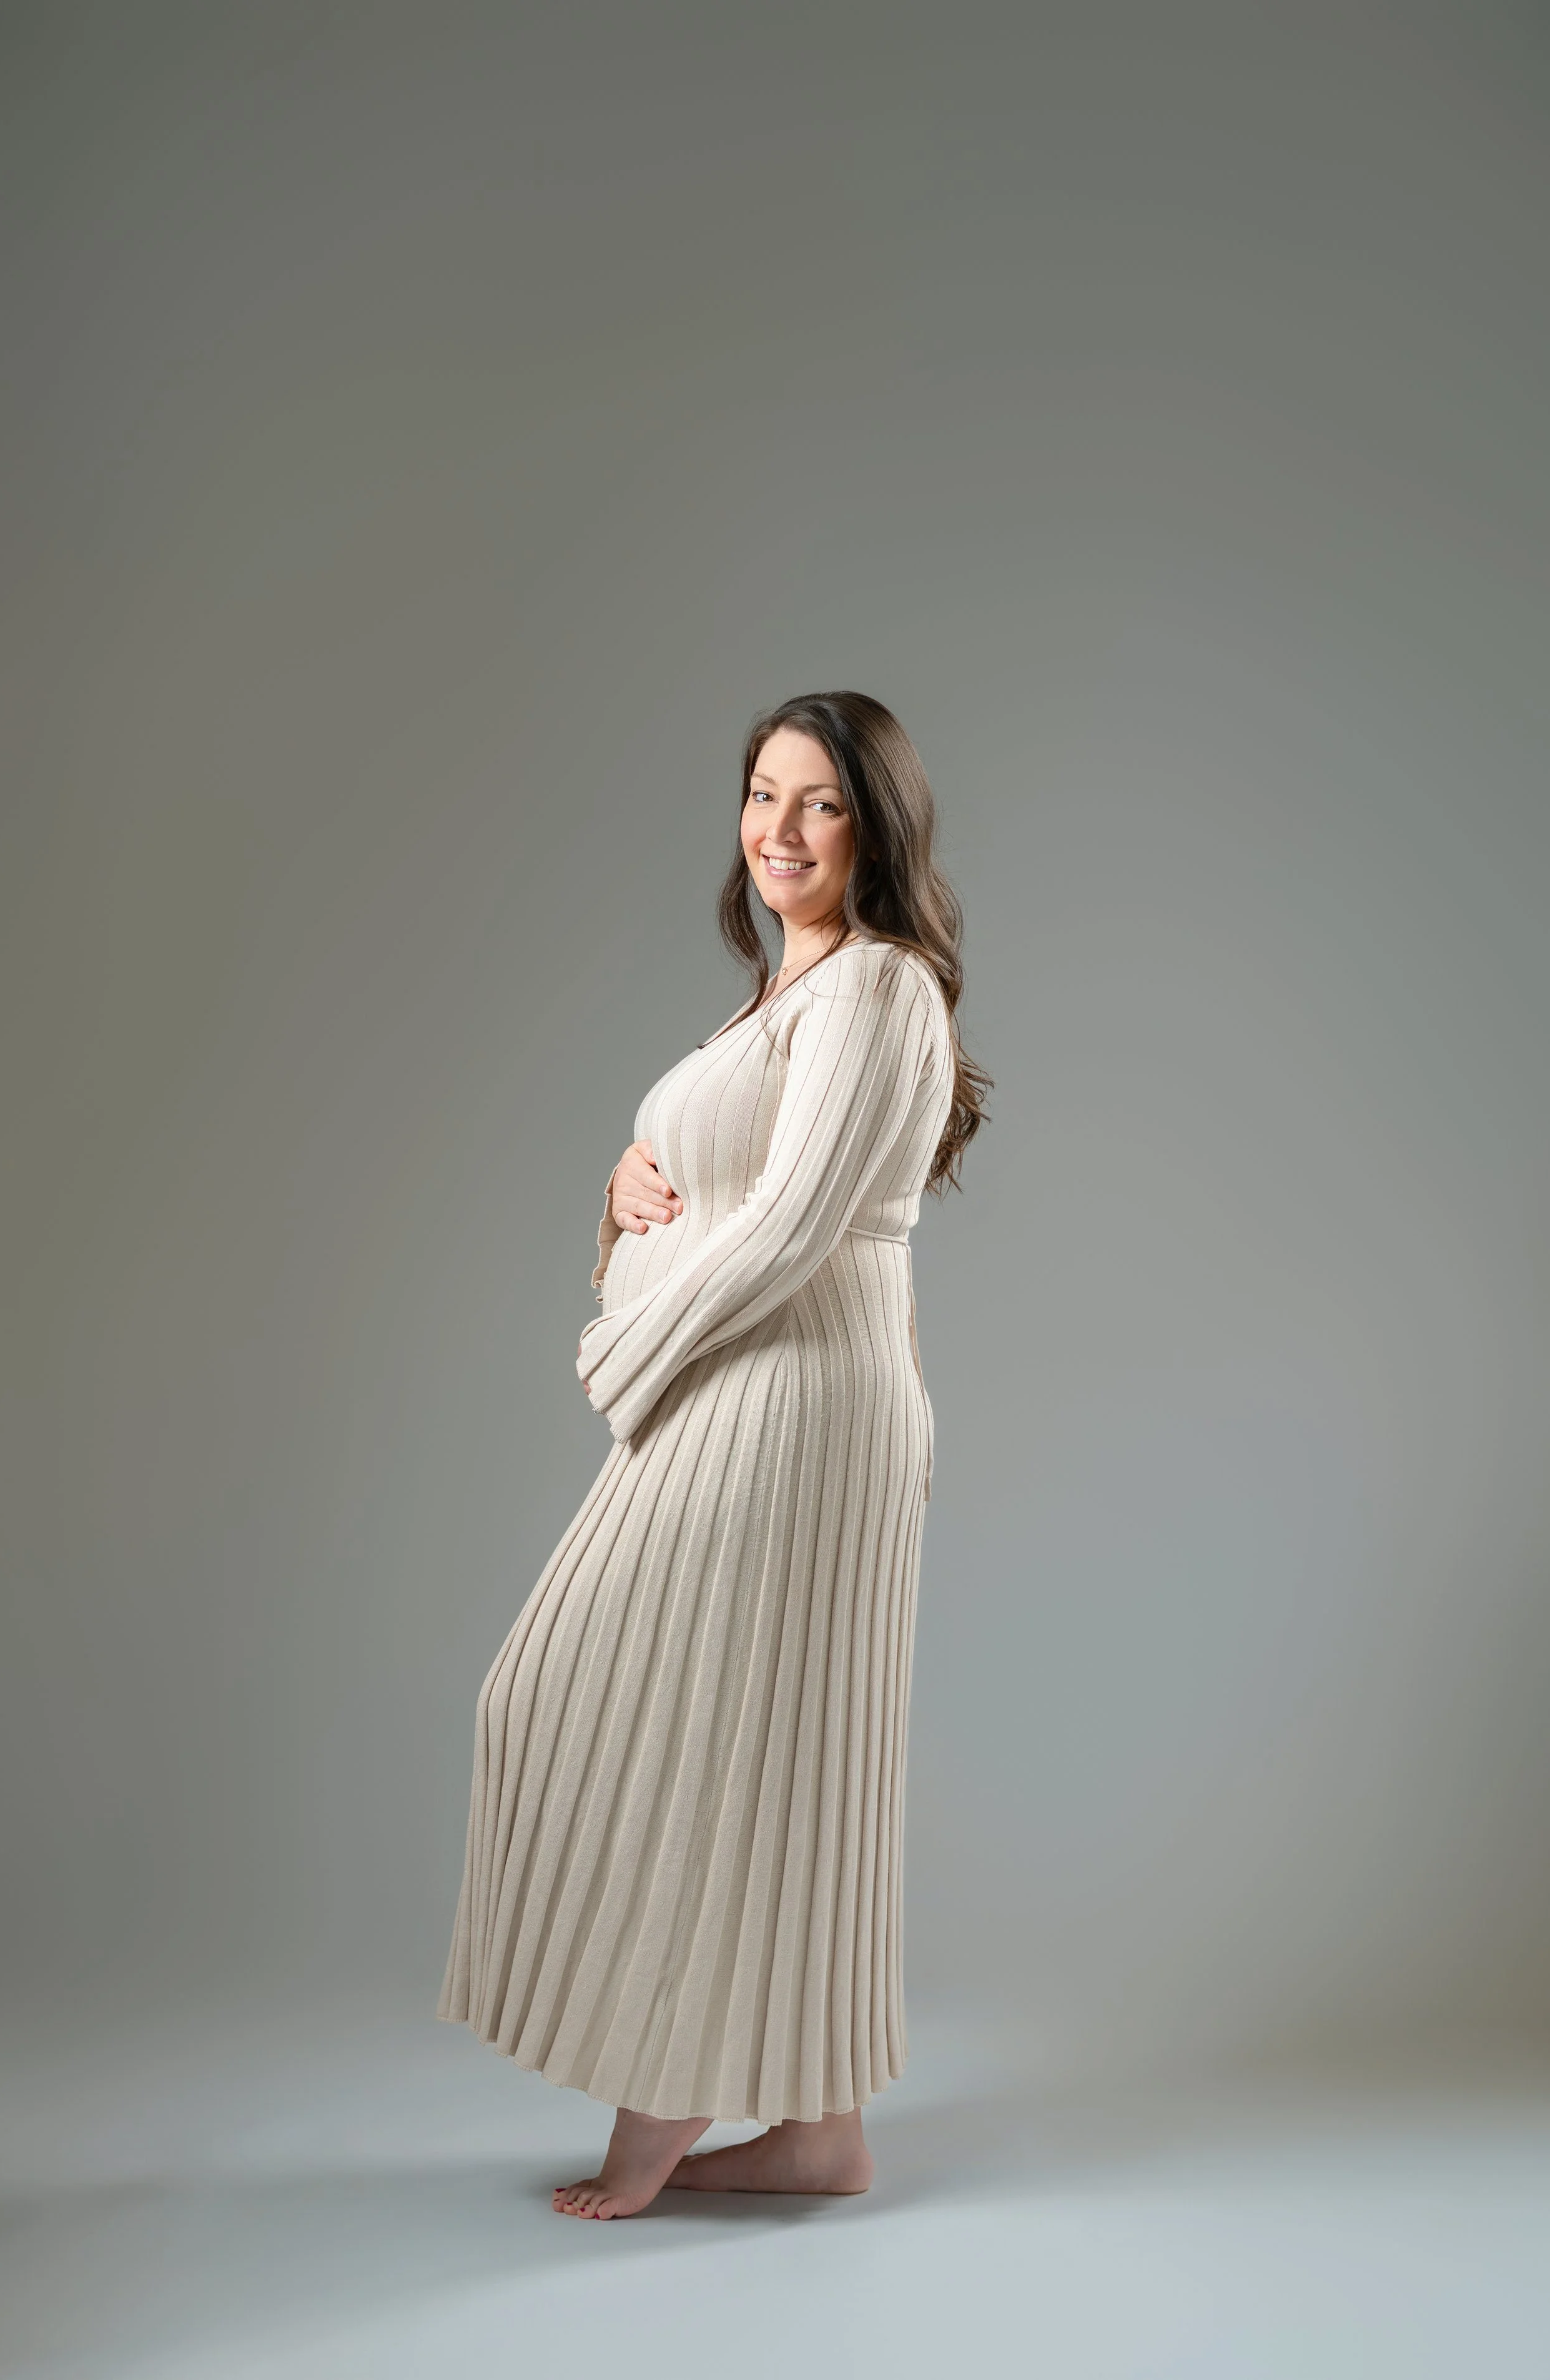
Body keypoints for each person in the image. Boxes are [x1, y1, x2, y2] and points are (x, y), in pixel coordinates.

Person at [438, 691, 989, 2219]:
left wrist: (615, 1338)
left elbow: (797, 1233)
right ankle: (817, 2129)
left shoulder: (879, 993)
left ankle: (669, 2087)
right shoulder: (772, 1002)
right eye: (762, 794)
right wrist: (618, 1198)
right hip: (744, 1382)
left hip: (795, 1396)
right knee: (749, 1731)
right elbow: (712, 1202)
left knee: (698, 1727)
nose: (780, 830)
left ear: (874, 826)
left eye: (818, 803)